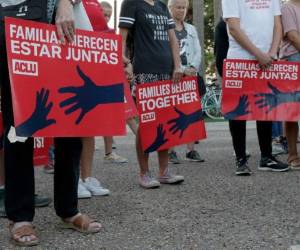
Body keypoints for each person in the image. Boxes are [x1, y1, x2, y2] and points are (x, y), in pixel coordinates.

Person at [0, 0, 101, 246]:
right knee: (19, 127)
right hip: (11, 28)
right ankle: (20, 217)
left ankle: (68, 209)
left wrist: (65, 3)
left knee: (69, 123)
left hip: (57, 26)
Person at [119, 0, 184, 188]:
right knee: (147, 122)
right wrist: (124, 63)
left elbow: (173, 39)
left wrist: (178, 65)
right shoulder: (132, 4)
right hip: (144, 69)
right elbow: (122, 38)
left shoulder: (162, 6)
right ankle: (144, 173)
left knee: (165, 120)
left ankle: (164, 171)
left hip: (167, 70)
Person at [222, 0, 289, 175]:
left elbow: (277, 24)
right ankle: (241, 159)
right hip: (240, 58)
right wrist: (258, 53)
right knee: (238, 111)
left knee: (265, 108)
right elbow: (234, 28)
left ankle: (266, 157)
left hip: (267, 59)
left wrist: (272, 52)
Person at [167, 0, 205, 164]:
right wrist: (179, 69)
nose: (182, 10)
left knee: (191, 111)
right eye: (179, 7)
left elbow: (197, 51)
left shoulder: (191, 29)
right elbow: (163, 50)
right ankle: (171, 150)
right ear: (170, 8)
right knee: (172, 112)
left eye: (184, 8)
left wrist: (192, 68)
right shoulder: (165, 28)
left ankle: (191, 150)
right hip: (173, 75)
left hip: (190, 75)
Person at [280, 0, 300, 169]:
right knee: (292, 110)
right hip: (293, 60)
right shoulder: (287, 7)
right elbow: (293, 36)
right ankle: (293, 155)